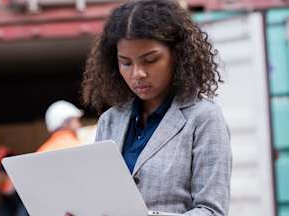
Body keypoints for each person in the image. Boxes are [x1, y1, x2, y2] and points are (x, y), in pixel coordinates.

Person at [81, 0, 232, 215]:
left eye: (150, 60)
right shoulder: (110, 120)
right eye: (126, 63)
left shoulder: (204, 118)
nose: (137, 74)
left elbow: (212, 211)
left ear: (177, 55)